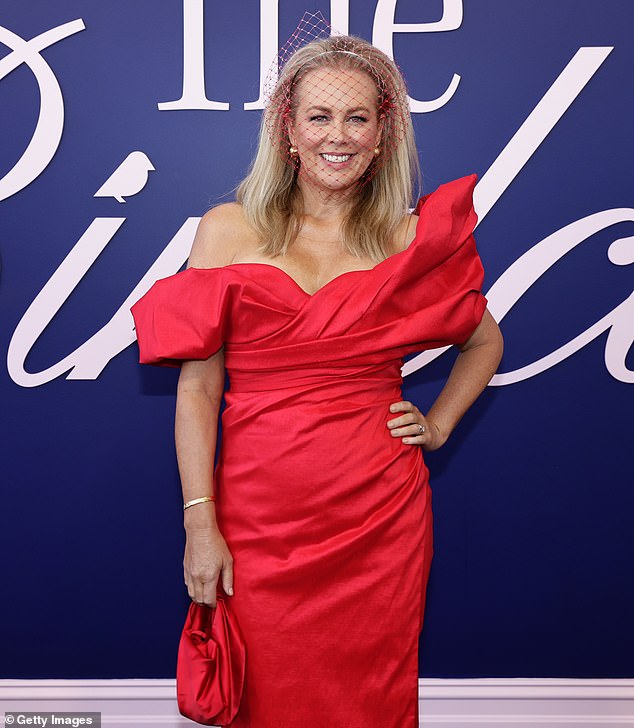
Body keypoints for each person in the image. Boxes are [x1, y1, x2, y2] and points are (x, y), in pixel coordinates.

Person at [131, 27, 503, 728]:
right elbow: (198, 388)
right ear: (289, 129)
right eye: (321, 116)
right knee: (264, 693)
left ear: (382, 132)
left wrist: (440, 422)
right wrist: (199, 519)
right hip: (257, 515)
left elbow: (485, 341)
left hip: (377, 516)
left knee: (370, 696)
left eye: (358, 117)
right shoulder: (227, 229)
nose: (340, 135)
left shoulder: (407, 239)